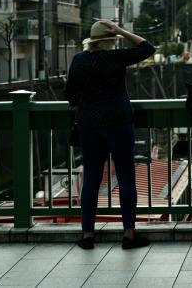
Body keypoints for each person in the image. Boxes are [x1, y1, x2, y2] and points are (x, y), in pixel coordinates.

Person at [65, 20, 154, 250]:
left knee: (91, 179)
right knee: (126, 179)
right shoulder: (116, 58)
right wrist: (122, 31)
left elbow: (70, 96)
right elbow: (147, 48)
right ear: (110, 40)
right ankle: (129, 235)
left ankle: (87, 235)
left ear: (92, 41)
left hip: (89, 125)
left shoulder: (78, 60)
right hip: (118, 123)